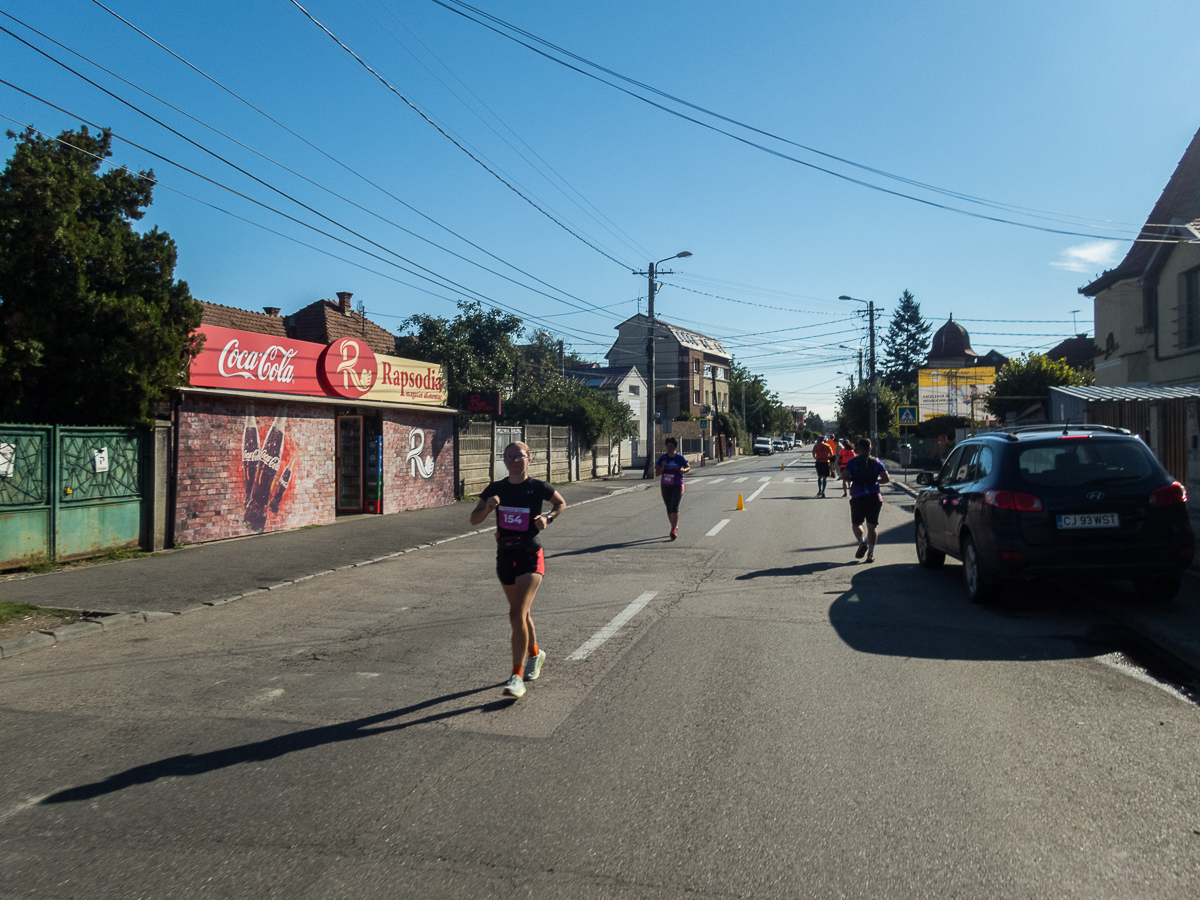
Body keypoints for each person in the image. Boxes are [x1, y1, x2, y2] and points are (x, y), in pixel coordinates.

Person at [470, 441, 566, 699]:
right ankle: (536, 653)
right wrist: (488, 507)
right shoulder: (495, 489)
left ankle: (516, 676)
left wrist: (548, 518)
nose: (514, 460)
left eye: (519, 456)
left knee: (515, 615)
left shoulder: (537, 487)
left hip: (530, 554)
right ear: (504, 460)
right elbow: (474, 518)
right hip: (505, 554)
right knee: (520, 615)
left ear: (529, 459)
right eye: (509, 456)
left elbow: (561, 503)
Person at [840, 437, 891, 563]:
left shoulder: (853, 462)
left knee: (857, 524)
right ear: (870, 449)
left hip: (858, 496)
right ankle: (871, 553)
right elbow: (886, 479)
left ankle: (862, 542)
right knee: (872, 526)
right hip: (874, 496)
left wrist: (855, 480)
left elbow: (844, 476)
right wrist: (874, 481)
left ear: (858, 449)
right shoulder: (877, 462)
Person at [655, 436, 691, 540]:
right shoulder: (663, 458)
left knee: (675, 506)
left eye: (671, 446)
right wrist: (662, 467)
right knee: (669, 508)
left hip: (677, 484)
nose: (669, 448)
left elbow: (688, 467)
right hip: (665, 485)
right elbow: (657, 473)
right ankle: (674, 526)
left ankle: (673, 529)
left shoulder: (680, 458)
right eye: (668, 446)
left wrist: (684, 470)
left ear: (675, 447)